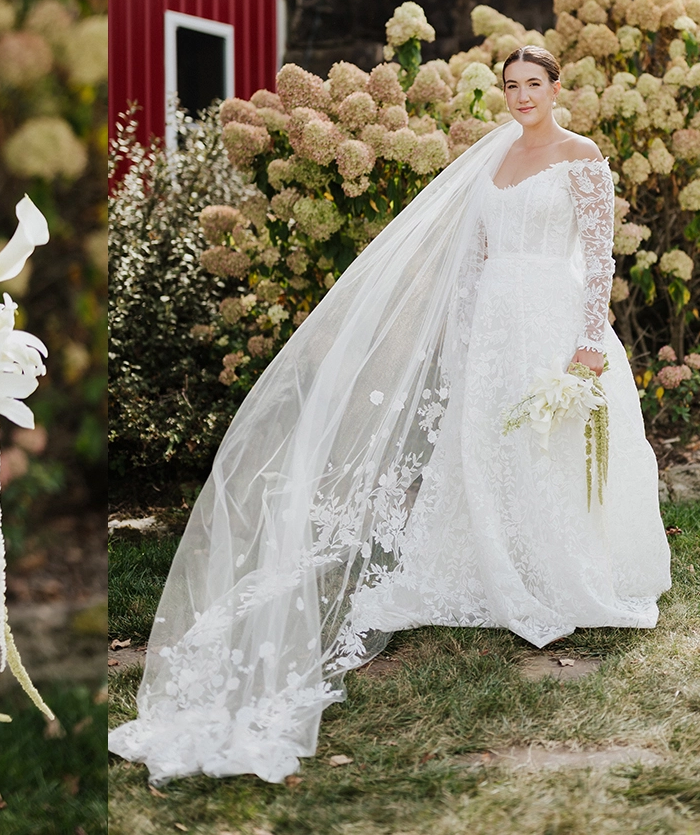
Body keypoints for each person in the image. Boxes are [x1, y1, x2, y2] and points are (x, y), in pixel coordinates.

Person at [108, 46, 670, 783]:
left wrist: (590, 342)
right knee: (487, 452)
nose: (522, 96)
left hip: (557, 322)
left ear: (557, 87)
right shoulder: (491, 160)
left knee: (554, 449)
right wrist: (465, 340)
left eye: (535, 84)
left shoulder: (580, 154)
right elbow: (472, 260)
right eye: (511, 86)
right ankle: (501, 565)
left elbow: (599, 257)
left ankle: (562, 573)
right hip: (496, 330)